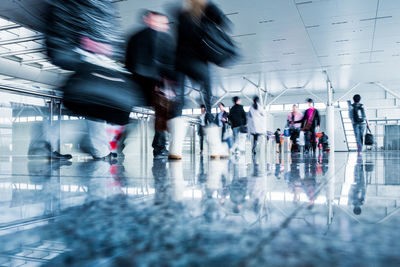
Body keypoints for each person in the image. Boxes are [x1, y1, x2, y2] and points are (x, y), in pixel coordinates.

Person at [125, 10, 175, 159]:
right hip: (151, 84)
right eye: (161, 22)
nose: (165, 26)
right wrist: (159, 82)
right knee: (162, 113)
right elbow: (164, 63)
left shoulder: (136, 36)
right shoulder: (150, 37)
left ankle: (119, 142)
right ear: (149, 20)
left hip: (135, 83)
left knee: (127, 113)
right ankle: (159, 149)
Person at [174, 0, 230, 122]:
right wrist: (208, 6)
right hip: (198, 62)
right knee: (207, 94)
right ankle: (210, 124)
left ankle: (176, 132)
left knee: (180, 98)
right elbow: (225, 23)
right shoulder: (205, 18)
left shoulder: (182, 15)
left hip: (182, 63)